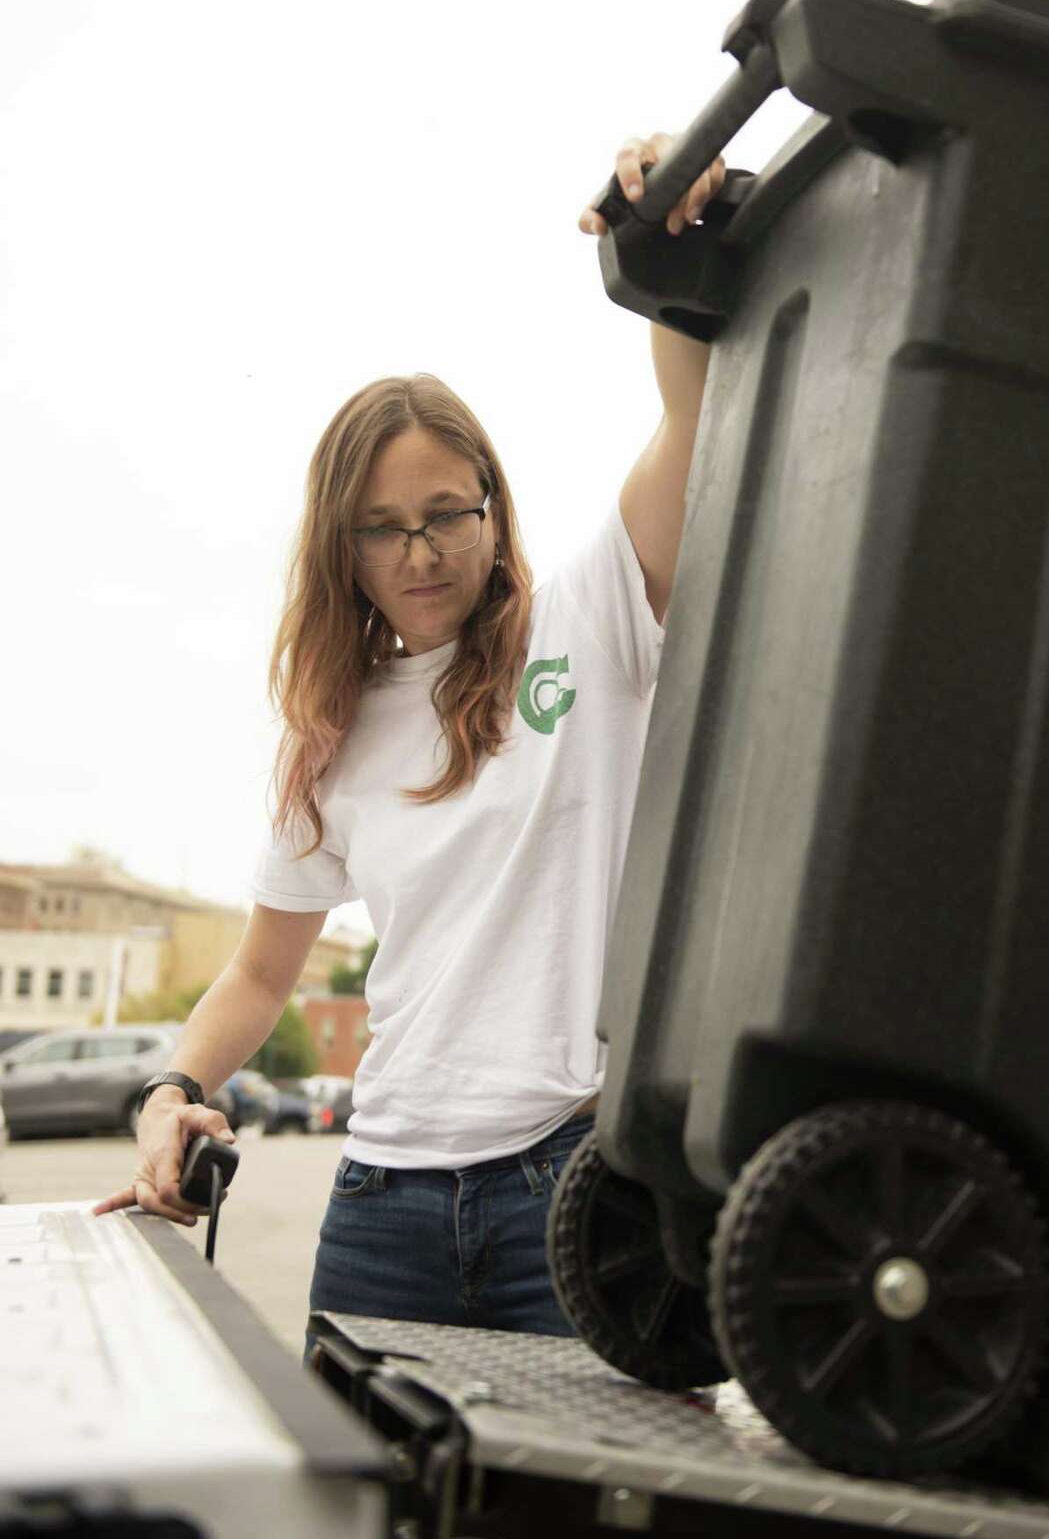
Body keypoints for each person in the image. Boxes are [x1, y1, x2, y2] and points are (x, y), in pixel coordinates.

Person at [92, 132, 727, 1354]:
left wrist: (669, 242)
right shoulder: (328, 728)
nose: (421, 552)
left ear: (494, 505)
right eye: (383, 528)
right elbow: (261, 973)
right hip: (381, 1198)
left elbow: (692, 414)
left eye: (446, 514)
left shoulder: (589, 617)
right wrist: (174, 1090)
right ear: (345, 546)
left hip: (578, 1180)